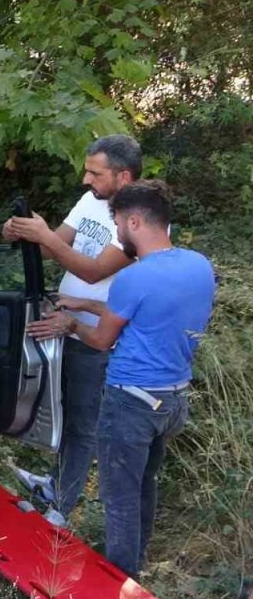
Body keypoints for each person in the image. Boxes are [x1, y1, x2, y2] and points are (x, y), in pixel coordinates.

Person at [31, 181, 215, 578]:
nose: (116, 233)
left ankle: (120, 583)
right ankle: (139, 562)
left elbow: (100, 340)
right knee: (145, 482)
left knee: (119, 497)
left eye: (116, 223)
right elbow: (148, 315)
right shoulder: (198, 266)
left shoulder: (134, 277)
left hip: (130, 402)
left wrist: (70, 323)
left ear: (134, 220)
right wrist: (86, 303)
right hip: (173, 399)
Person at [4, 134, 141, 528]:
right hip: (65, 323)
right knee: (61, 407)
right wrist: (25, 234)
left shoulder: (135, 221)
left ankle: (61, 509)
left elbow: (94, 270)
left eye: (95, 173)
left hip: (97, 334)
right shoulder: (92, 201)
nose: (86, 180)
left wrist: (45, 236)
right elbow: (55, 247)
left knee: (83, 421)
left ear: (124, 176)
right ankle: (58, 484)